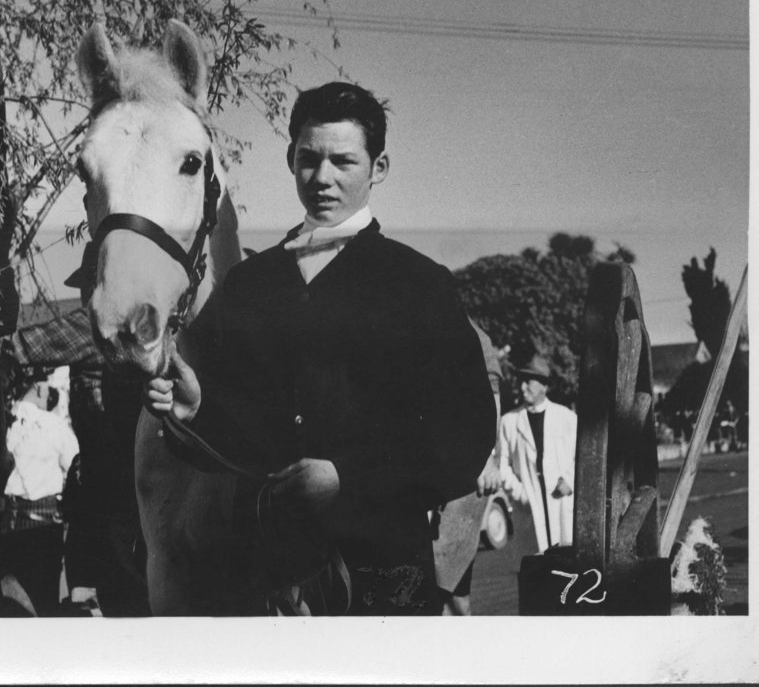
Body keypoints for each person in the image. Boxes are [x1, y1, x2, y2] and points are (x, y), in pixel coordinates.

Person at [145, 81, 496, 615]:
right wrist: (199, 409)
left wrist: (346, 478)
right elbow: (241, 441)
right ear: (290, 159)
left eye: (343, 161)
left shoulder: (420, 285)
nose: (323, 178)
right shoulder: (250, 285)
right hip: (267, 580)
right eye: (309, 159)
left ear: (378, 168)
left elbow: (464, 440)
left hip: (387, 581)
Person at [5, 311, 152, 616]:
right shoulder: (140, 324)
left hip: (111, 491)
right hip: (128, 487)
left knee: (120, 596)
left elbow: (18, 345)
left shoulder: (101, 322)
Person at [432, 319, 504, 616]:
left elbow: (493, 400)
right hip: (430, 472)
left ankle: (463, 648)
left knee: (450, 584)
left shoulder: (474, 337)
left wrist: (488, 457)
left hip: (468, 474)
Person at [2, 369, 80, 615]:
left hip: (7, 523)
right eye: (49, 389)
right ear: (38, 387)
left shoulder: (1, 423)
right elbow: (76, 468)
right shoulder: (52, 425)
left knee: (15, 600)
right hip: (45, 525)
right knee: (45, 599)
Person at [499, 355, 577, 553]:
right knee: (535, 568)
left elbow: (582, 459)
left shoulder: (567, 418)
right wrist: (521, 494)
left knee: (565, 563)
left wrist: (570, 480)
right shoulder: (509, 422)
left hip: (561, 501)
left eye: (528, 382)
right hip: (529, 507)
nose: (522, 387)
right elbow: (502, 465)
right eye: (521, 381)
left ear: (544, 386)